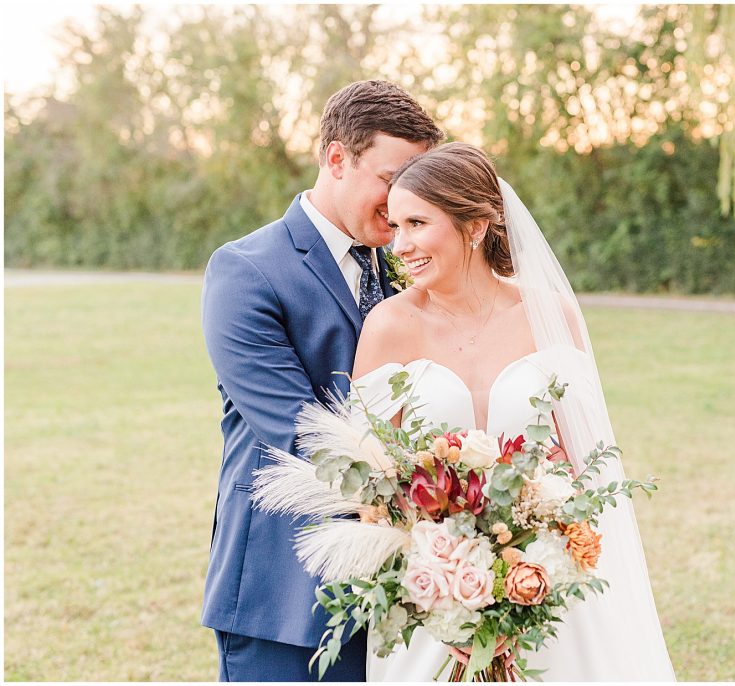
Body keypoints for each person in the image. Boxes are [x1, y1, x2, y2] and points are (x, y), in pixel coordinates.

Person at [352, 142, 676, 681]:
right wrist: (445, 595)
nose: (399, 244)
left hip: (550, 585)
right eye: (395, 225)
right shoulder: (388, 327)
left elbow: (584, 461)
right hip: (431, 596)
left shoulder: (549, 314)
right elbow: (370, 486)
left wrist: (534, 572)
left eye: (416, 223)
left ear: (475, 225)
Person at [200, 80, 444, 681]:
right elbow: (300, 430)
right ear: (336, 158)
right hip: (284, 595)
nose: (404, 200)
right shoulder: (247, 271)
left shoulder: (408, 270)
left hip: (407, 586)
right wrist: (438, 496)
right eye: (392, 178)